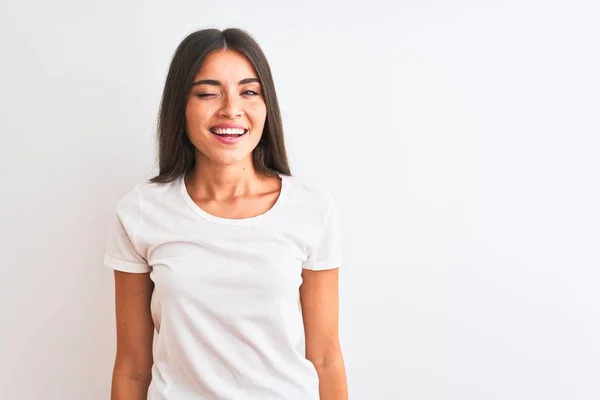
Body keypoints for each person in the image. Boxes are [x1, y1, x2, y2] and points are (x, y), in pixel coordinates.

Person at [103, 28, 348, 400]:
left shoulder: (311, 209)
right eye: (207, 93)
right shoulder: (140, 212)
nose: (231, 108)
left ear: (267, 106)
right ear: (180, 106)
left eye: (249, 92)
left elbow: (326, 357)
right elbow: (133, 368)